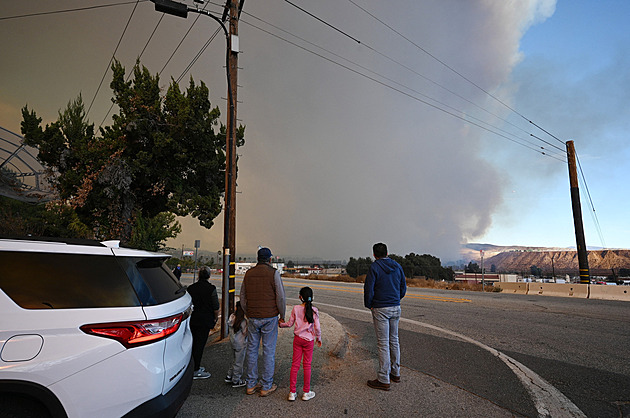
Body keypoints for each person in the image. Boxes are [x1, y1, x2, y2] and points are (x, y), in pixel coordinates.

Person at [240, 247, 286, 397]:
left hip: (253, 317)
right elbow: (280, 297)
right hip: (270, 317)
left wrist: (248, 312)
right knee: (268, 351)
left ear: (257, 258)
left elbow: (242, 297)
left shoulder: (248, 274)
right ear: (270, 259)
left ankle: (251, 385)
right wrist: (282, 315)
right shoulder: (274, 273)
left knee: (252, 350)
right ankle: (266, 385)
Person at [363, 242, 406, 391]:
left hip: (381, 308)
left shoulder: (374, 267)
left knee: (383, 343)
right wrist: (396, 300)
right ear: (387, 253)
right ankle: (396, 372)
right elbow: (403, 287)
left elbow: (369, 288)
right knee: (394, 340)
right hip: (395, 306)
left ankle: (383, 378)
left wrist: (370, 304)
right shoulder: (397, 266)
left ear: (374, 254)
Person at [279, 287, 322, 401]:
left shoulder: (296, 308)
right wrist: (319, 338)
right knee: (307, 365)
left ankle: (292, 393)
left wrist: (281, 324)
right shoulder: (314, 310)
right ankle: (306, 392)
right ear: (312, 298)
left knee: (295, 365)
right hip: (309, 341)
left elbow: (289, 324)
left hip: (297, 340)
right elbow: (317, 327)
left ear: (300, 297)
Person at [187, 266, 220, 379]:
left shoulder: (191, 288)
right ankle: (195, 370)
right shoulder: (211, 289)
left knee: (192, 343)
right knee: (200, 345)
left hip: (193, 319)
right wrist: (215, 318)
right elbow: (216, 307)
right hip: (205, 320)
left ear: (199, 275)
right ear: (209, 276)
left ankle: (190, 367)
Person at [225, 301, 247, 388]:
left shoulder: (232, 317)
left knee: (234, 360)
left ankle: (229, 375)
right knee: (239, 362)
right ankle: (236, 380)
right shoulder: (243, 321)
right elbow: (245, 333)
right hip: (240, 344)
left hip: (233, 342)